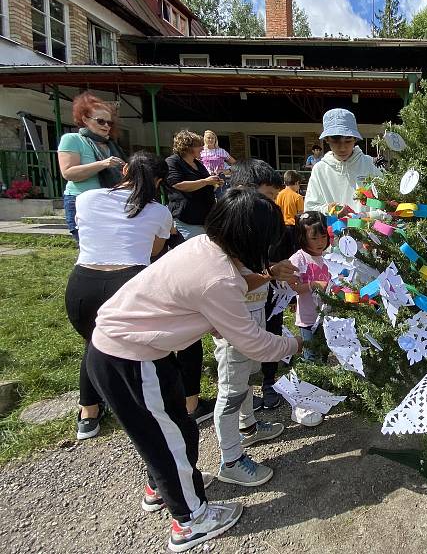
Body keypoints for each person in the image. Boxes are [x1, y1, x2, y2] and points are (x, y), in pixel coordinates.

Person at [87, 188, 303, 553]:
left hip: (134, 352)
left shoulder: (207, 246)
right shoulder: (217, 278)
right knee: (170, 438)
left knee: (170, 429)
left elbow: (225, 291)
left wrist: (264, 276)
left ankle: (162, 487)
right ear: (251, 238)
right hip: (131, 359)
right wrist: (295, 345)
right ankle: (190, 521)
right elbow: (253, 342)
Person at [65, 151, 173, 440]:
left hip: (82, 284)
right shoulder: (159, 211)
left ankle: (88, 411)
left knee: (94, 341)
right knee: (137, 354)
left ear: (125, 169)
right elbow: (153, 251)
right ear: (159, 181)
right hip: (128, 282)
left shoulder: (86, 198)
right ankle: (141, 409)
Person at [211, 197, 292, 488]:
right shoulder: (225, 258)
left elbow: (251, 281)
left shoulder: (248, 251)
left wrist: (271, 273)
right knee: (231, 390)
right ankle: (230, 460)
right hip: (233, 330)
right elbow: (241, 284)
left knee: (245, 381)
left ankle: (249, 426)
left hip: (251, 322)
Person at [228, 159, 296, 412]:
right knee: (238, 354)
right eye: (268, 195)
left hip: (269, 295)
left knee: (272, 330)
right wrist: (270, 272)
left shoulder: (272, 219)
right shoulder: (229, 228)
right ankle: (243, 401)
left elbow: (281, 251)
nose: (273, 203)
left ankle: (269, 382)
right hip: (241, 302)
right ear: (245, 189)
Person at [166, 130, 224, 423]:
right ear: (189, 146)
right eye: (199, 145)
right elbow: (178, 185)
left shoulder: (198, 163)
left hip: (204, 219)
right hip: (187, 220)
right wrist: (205, 181)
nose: (203, 149)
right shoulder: (174, 163)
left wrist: (212, 182)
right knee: (196, 262)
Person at [57, 92, 125, 242]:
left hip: (109, 202)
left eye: (110, 122)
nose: (106, 126)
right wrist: (102, 164)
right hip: (81, 202)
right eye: (101, 121)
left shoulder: (110, 145)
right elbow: (68, 173)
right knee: (90, 249)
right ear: (85, 120)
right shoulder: (72, 139)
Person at [288, 211, 332, 427]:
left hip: (327, 318)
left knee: (323, 356)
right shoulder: (299, 259)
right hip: (308, 319)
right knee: (311, 358)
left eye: (322, 237)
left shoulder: (330, 256)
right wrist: (313, 284)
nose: (319, 242)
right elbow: (293, 286)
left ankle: (320, 393)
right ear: (302, 237)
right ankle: (306, 400)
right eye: (313, 238)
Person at [304, 108, 382, 213]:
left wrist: (365, 217)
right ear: (327, 140)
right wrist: (328, 209)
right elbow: (310, 209)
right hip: (332, 228)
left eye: (348, 141)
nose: (342, 148)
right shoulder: (320, 169)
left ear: (355, 139)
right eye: (335, 142)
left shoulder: (370, 165)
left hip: (366, 227)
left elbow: (385, 203)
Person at [201, 130, 236, 197]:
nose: (210, 139)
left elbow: (236, 164)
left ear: (215, 139)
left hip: (220, 179)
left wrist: (227, 171)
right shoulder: (201, 151)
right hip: (206, 178)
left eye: (212, 138)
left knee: (221, 198)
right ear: (204, 139)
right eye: (208, 138)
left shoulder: (221, 151)